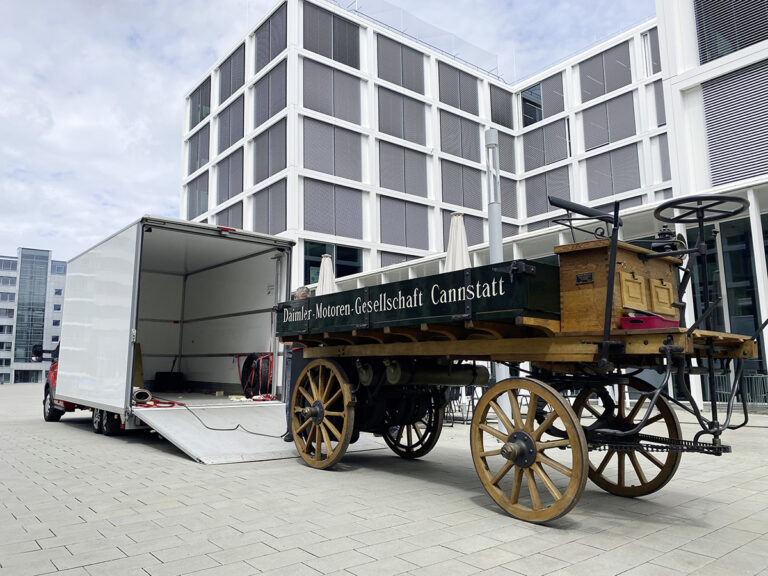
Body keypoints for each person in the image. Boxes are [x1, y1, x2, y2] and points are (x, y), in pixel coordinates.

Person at [282, 286, 310, 442]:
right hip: (294, 354)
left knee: (298, 393)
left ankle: (297, 428)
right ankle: (290, 428)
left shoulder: (306, 312)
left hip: (303, 353)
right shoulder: (291, 313)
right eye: (302, 299)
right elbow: (284, 339)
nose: (304, 302)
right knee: (291, 394)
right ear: (295, 299)